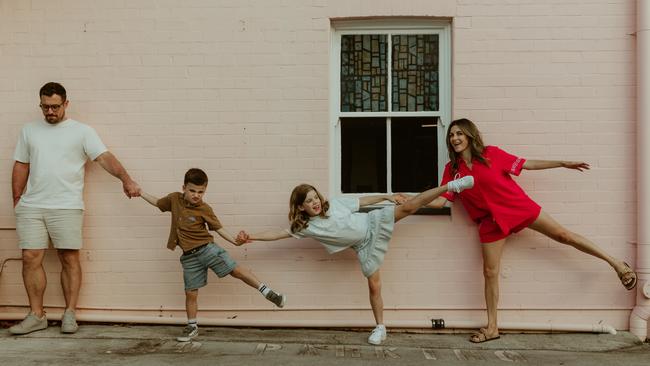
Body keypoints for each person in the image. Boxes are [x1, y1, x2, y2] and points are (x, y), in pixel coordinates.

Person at [427, 118, 638, 343]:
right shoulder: (453, 169)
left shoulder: (491, 154)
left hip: (516, 206)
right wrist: (410, 201)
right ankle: (492, 328)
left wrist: (562, 163)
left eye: (459, 133)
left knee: (563, 235)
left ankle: (617, 264)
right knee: (490, 272)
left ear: (469, 135)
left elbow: (527, 164)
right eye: (451, 135)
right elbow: (441, 201)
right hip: (490, 221)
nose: (455, 138)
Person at [236, 176, 474, 345]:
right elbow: (278, 234)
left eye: (315, 196)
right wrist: (252, 237)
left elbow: (363, 202)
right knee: (374, 285)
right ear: (301, 207)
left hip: (373, 222)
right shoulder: (306, 227)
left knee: (410, 206)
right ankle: (380, 327)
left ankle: (451, 186)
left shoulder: (335, 204)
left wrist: (386, 197)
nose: (315, 202)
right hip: (362, 246)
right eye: (308, 201)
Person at [10, 82, 141, 335]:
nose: (50, 112)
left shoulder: (82, 132)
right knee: (30, 258)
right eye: (45, 107)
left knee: (69, 258)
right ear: (40, 105)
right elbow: (21, 164)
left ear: (66, 104)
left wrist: (126, 179)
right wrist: (17, 198)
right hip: (32, 206)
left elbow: (104, 157)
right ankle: (36, 315)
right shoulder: (29, 130)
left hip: (67, 205)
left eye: (55, 107)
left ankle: (70, 314)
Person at [140, 168, 286, 342]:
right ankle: (192, 327)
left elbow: (219, 228)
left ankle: (269, 293)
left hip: (207, 249)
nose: (196, 195)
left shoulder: (204, 208)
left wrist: (234, 241)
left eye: (201, 192)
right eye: (192, 190)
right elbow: (157, 202)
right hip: (189, 257)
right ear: (184, 188)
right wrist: (140, 192)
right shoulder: (173, 199)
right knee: (190, 293)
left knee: (235, 271)